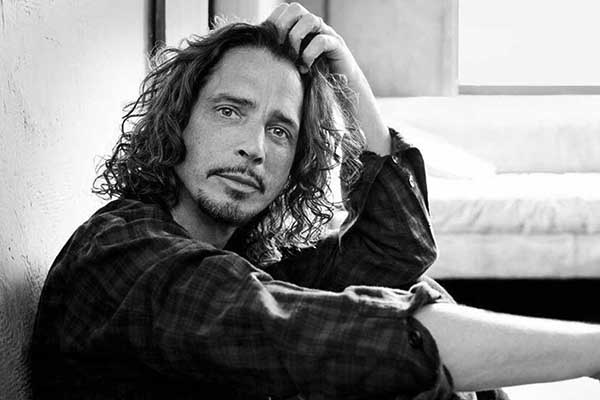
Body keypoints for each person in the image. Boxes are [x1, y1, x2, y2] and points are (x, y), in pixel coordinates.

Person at [31, 3, 600, 399]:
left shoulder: (240, 249)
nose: (254, 148)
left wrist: (345, 73)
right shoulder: (125, 253)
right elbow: (320, 337)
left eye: (279, 130)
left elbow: (397, 250)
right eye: (229, 111)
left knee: (418, 300)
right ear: (177, 122)